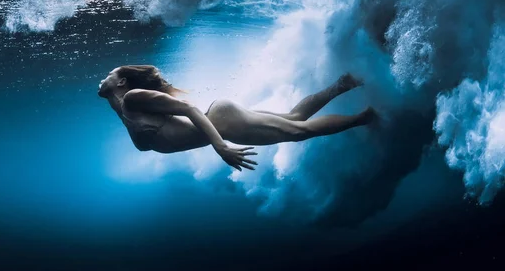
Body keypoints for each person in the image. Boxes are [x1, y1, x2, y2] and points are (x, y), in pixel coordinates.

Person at [98, 65, 377, 171]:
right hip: (223, 115)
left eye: (107, 75)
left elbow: (190, 110)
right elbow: (106, 95)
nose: (102, 79)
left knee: (298, 131)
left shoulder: (134, 97)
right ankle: (343, 84)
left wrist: (221, 148)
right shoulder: (122, 106)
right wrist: (108, 90)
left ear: (122, 81)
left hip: (224, 122)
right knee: (295, 117)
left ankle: (366, 116)